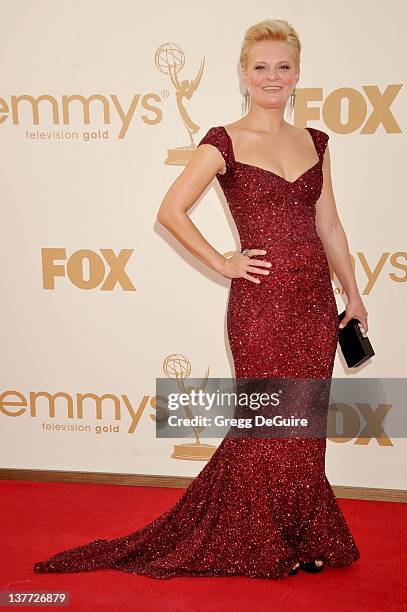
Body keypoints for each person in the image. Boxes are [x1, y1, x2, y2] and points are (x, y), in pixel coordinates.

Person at [33, 18, 366, 580]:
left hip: (312, 304)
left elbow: (329, 225)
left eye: (283, 67)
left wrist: (353, 296)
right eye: (261, 67)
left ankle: (301, 533)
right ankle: (259, 537)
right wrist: (223, 262)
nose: (272, 76)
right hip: (260, 306)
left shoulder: (316, 142)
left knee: (304, 422)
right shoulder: (224, 140)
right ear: (243, 75)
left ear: (298, 75)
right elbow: (169, 211)